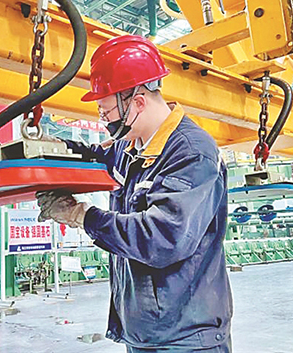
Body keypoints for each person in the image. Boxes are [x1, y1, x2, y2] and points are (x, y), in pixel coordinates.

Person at [37, 35, 233, 352]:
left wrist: (80, 216)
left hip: (186, 338)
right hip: (145, 331)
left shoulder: (191, 152)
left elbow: (163, 238)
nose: (103, 119)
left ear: (138, 102)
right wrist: (51, 149)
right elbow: (93, 158)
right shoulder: (130, 148)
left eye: (106, 111)